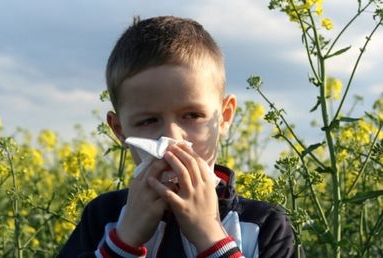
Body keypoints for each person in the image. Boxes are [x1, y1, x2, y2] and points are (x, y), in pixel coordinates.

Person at [58, 16, 298, 258]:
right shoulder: (103, 217)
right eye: (148, 121)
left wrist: (211, 239)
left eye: (192, 115)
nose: (171, 139)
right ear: (119, 130)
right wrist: (123, 244)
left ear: (223, 117)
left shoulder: (264, 226)